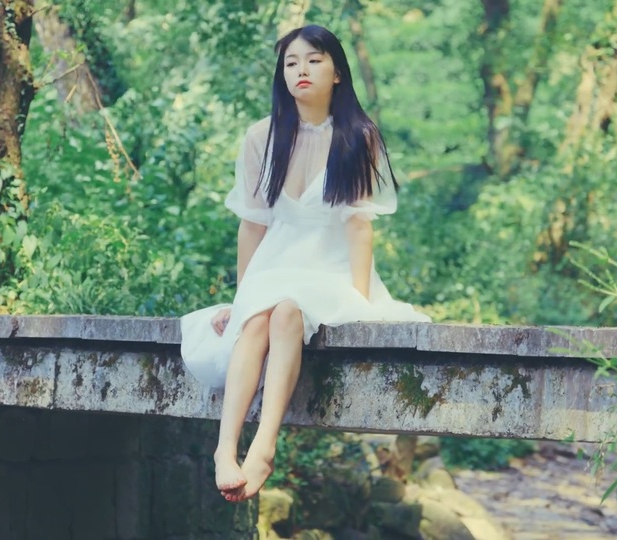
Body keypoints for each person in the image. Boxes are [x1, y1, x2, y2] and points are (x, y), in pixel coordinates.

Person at [180, 25, 431, 503]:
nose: (301, 70)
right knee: (258, 318)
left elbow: (359, 227)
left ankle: (266, 445)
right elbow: (252, 226)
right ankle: (225, 448)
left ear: (336, 71)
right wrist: (240, 297)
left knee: (289, 311)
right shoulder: (261, 136)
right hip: (276, 263)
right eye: (291, 62)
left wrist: (359, 300)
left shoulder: (359, 136)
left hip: (331, 266)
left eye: (314, 60)